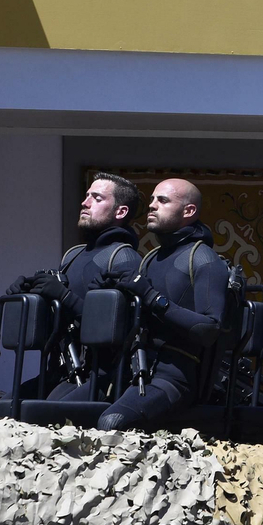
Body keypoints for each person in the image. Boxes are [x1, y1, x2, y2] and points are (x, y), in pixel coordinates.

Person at [98, 178, 232, 431]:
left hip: (174, 379)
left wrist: (150, 296)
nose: (152, 205)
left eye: (162, 200)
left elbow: (209, 329)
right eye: (151, 199)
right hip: (134, 371)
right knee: (52, 413)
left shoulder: (204, 259)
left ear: (188, 211)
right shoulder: (150, 258)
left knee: (111, 422)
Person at [6, 173, 143, 398]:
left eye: (97, 198)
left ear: (121, 212)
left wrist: (64, 296)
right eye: (87, 195)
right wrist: (31, 294)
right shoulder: (74, 255)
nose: (85, 203)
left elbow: (120, 329)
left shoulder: (124, 258)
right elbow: (61, 320)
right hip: (62, 370)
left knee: (43, 413)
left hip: (101, 376)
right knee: (4, 407)